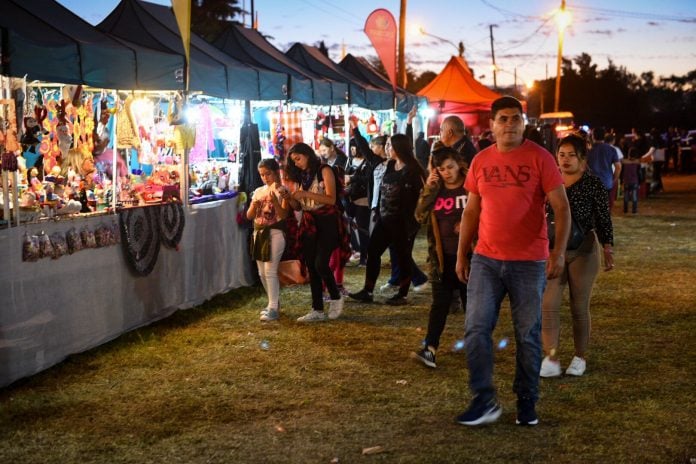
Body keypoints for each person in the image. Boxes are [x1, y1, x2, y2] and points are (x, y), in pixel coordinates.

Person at [454, 96, 571, 427]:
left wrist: (558, 252)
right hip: (486, 260)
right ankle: (484, 399)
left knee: (528, 334)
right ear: (491, 125)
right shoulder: (480, 160)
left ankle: (527, 400)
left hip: (529, 262)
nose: (509, 124)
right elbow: (472, 210)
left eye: (515, 118)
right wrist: (463, 253)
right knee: (476, 327)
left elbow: (561, 208)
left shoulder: (541, 158)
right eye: (503, 119)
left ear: (524, 123)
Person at [540, 134, 615, 378]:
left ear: (582, 157)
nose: (566, 159)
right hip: (553, 251)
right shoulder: (549, 182)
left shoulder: (593, 183)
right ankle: (550, 357)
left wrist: (607, 246)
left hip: (582, 250)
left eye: (572, 155)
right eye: (562, 154)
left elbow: (603, 217)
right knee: (548, 304)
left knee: (578, 306)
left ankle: (579, 356)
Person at [348, 133, 426, 306]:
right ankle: (368, 291)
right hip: (385, 219)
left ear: (400, 148)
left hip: (403, 223)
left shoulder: (413, 170)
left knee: (403, 256)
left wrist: (414, 222)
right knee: (373, 251)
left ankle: (403, 294)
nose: (388, 148)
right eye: (387, 145)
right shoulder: (389, 165)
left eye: (391, 145)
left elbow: (422, 197)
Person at [411, 147, 468, 368]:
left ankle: (477, 347)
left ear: (459, 164)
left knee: (472, 306)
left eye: (450, 167)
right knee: (439, 306)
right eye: (442, 169)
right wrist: (430, 187)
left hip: (471, 257)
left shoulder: (471, 185)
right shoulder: (436, 189)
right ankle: (430, 350)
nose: (447, 172)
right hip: (442, 258)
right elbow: (419, 215)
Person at [283, 143, 345, 322]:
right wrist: (290, 198)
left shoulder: (324, 170)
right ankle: (317, 308)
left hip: (327, 221)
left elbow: (331, 199)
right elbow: (298, 206)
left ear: (308, 155)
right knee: (311, 264)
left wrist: (305, 195)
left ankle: (335, 296)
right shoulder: (304, 176)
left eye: (298, 159)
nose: (296, 163)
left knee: (320, 263)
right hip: (309, 221)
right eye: (293, 161)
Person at [246, 159, 290, 321]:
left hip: (275, 233)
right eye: (262, 175)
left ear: (276, 172)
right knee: (262, 272)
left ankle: (272, 307)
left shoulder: (282, 190)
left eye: (268, 174)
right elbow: (249, 216)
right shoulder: (258, 191)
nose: (265, 177)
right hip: (259, 233)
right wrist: (254, 206)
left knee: (270, 270)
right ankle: (273, 303)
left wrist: (275, 202)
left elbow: (284, 215)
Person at [586, 127, 621, 210]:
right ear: (604, 136)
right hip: (607, 182)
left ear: (593, 136)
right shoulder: (611, 149)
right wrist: (614, 179)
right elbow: (618, 167)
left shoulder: (588, 150)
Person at [621, 147, 642, 214]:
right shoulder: (638, 163)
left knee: (626, 196)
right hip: (635, 181)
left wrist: (621, 181)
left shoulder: (625, 162)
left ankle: (625, 209)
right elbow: (639, 173)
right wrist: (640, 182)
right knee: (634, 196)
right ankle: (634, 210)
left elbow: (622, 172)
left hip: (626, 181)